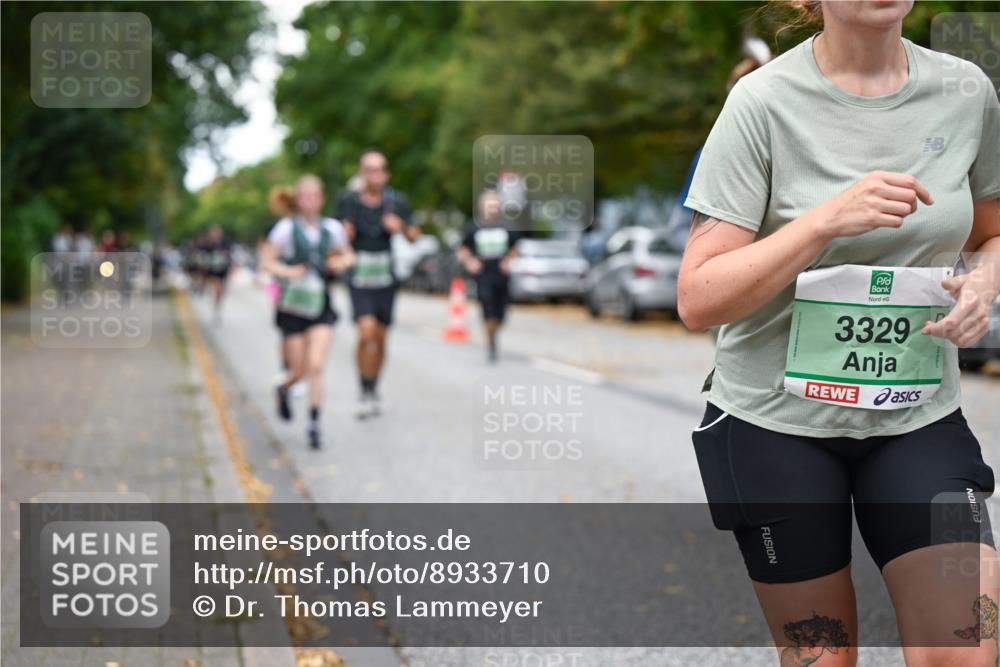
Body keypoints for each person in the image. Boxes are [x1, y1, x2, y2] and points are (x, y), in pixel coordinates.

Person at [678, 2, 999, 666]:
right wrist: (824, 222)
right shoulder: (761, 102)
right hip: (773, 424)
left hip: (915, 416)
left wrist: (983, 283)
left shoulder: (967, 92)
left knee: (965, 650)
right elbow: (698, 296)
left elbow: (992, 233)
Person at [260, 175, 354, 449]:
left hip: (320, 305)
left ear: (321, 199)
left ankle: (314, 424)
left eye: (315, 196)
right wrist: (288, 271)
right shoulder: (285, 229)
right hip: (293, 306)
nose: (310, 201)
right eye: (305, 196)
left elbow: (349, 255)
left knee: (316, 365)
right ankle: (284, 388)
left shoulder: (332, 228)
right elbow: (267, 261)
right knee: (298, 370)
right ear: (298, 200)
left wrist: (341, 264)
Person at [335, 149, 419, 419]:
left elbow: (415, 236)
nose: (375, 174)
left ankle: (373, 387)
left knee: (381, 338)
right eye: (370, 169)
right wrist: (343, 236)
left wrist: (401, 227)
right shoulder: (348, 202)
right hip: (360, 276)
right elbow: (332, 237)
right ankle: (363, 387)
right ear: (361, 173)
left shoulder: (397, 201)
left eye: (380, 169)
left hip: (385, 277)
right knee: (366, 332)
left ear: (386, 174)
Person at [457, 190, 520, 362]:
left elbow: (515, 249)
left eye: (495, 205)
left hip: (502, 276)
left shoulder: (507, 227)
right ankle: (491, 343)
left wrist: (508, 260)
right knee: (488, 309)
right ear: (482, 207)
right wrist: (470, 262)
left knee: (501, 314)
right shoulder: (474, 228)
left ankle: (493, 332)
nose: (492, 209)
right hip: (483, 276)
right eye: (489, 205)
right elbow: (463, 249)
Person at [201, 225, 232, 325]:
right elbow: (203, 257)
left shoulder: (225, 243)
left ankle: (216, 306)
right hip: (212, 270)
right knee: (217, 287)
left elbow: (229, 255)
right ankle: (214, 305)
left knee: (221, 291)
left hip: (222, 270)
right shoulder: (207, 244)